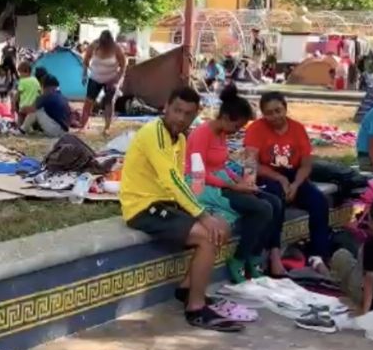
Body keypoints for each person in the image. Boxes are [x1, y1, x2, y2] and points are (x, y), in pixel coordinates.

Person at [120, 87, 241, 332]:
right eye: (177, 111)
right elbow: (171, 180)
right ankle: (196, 308)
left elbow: (181, 181)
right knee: (208, 235)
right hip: (143, 207)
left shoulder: (181, 138)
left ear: (195, 115)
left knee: (223, 227)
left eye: (188, 114)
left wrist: (203, 212)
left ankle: (187, 288)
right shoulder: (153, 134)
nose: (181, 118)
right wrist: (202, 215)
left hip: (166, 203)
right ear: (166, 107)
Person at [187, 85, 285, 280]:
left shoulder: (222, 134)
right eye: (236, 126)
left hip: (222, 181)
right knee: (261, 208)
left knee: (274, 202)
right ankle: (240, 258)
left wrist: (240, 180)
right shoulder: (201, 134)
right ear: (225, 118)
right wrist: (233, 186)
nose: (236, 132)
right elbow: (200, 173)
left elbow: (222, 165)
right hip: (204, 185)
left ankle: (254, 255)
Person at [244, 92, 331, 261]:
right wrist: (280, 178)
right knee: (277, 198)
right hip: (267, 175)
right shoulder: (255, 129)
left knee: (319, 201)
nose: (274, 116)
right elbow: (250, 164)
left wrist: (297, 184)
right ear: (263, 114)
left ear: (285, 108)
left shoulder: (297, 129)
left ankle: (318, 255)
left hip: (295, 174)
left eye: (278, 110)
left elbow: (306, 164)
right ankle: (274, 251)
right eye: (269, 113)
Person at [80, 30, 127, 134]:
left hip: (111, 79)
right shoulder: (94, 45)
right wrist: (84, 74)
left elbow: (123, 65)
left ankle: (107, 128)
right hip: (95, 78)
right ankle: (83, 125)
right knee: (88, 102)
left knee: (109, 103)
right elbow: (86, 59)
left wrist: (117, 80)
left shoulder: (116, 48)